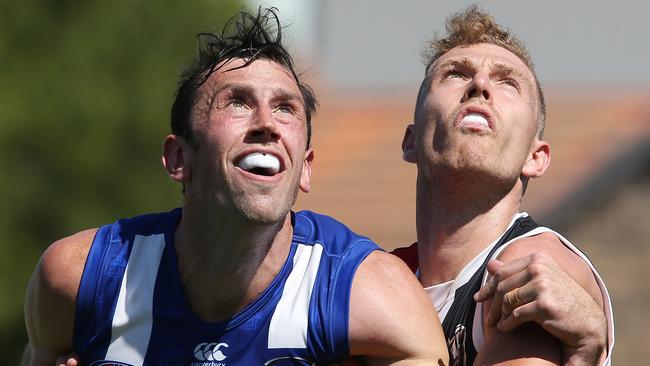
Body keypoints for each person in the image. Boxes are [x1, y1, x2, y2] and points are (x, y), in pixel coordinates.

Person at [22, 8, 449, 366]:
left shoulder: (370, 296)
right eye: (238, 102)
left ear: (305, 169)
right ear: (178, 159)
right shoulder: (79, 280)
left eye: (285, 108)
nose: (266, 124)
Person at [395, 5, 614, 365]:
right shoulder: (382, 277)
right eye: (455, 74)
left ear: (536, 157)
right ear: (411, 141)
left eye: (507, 82)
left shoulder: (531, 265)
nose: (479, 85)